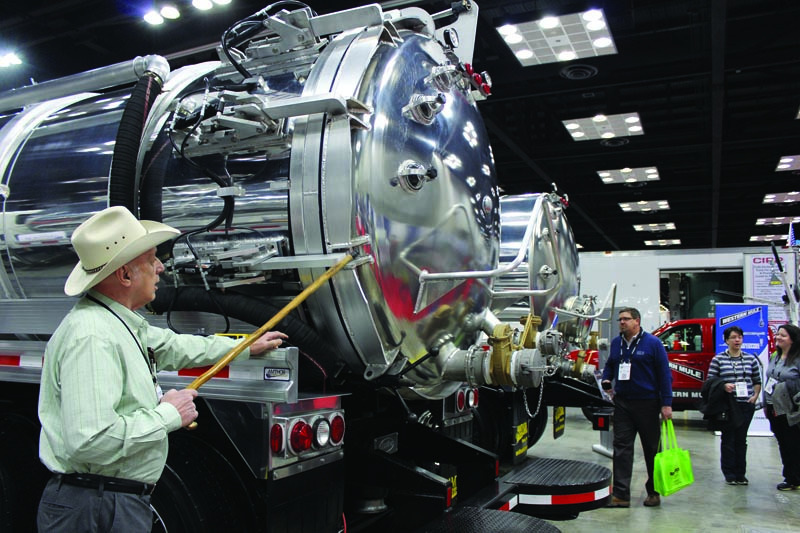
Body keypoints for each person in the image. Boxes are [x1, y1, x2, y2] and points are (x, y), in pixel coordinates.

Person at [36, 206, 288, 532]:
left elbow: (173, 346)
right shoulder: (92, 337)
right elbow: (91, 441)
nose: (160, 267)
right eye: (151, 259)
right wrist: (169, 414)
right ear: (125, 275)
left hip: (105, 500)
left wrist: (244, 347)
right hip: (98, 508)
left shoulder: (116, 324)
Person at [601, 307, 673, 508]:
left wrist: (666, 403)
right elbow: (610, 364)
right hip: (623, 403)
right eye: (620, 319)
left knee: (652, 449)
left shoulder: (653, 343)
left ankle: (654, 492)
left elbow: (664, 375)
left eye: (626, 319)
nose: (622, 322)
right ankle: (621, 495)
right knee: (621, 448)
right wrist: (607, 378)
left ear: (637, 321)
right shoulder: (617, 343)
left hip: (647, 403)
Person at [706, 325, 762, 485]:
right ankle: (729, 473)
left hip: (746, 405)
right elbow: (710, 381)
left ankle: (740, 474)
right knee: (728, 439)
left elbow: (757, 380)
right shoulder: (718, 359)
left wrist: (755, 396)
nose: (737, 340)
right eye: (733, 337)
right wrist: (723, 385)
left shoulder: (750, 359)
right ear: (726, 340)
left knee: (741, 439)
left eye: (739, 337)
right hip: (728, 405)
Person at [763, 323, 800, 491]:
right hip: (774, 407)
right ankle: (790, 476)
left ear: (793, 340)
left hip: (791, 409)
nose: (778, 337)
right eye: (778, 334)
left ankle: (795, 478)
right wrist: (766, 403)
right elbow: (769, 380)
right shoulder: (775, 356)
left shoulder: (797, 358)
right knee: (783, 443)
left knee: (793, 443)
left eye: (783, 335)